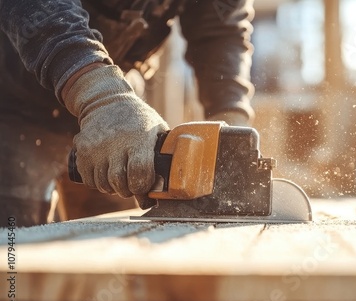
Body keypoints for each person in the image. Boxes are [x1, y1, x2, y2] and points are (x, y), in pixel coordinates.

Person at [0, 0, 255, 226]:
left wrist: (231, 117)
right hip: (15, 105)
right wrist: (101, 95)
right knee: (14, 251)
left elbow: (221, 31)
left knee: (114, 247)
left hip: (119, 122)